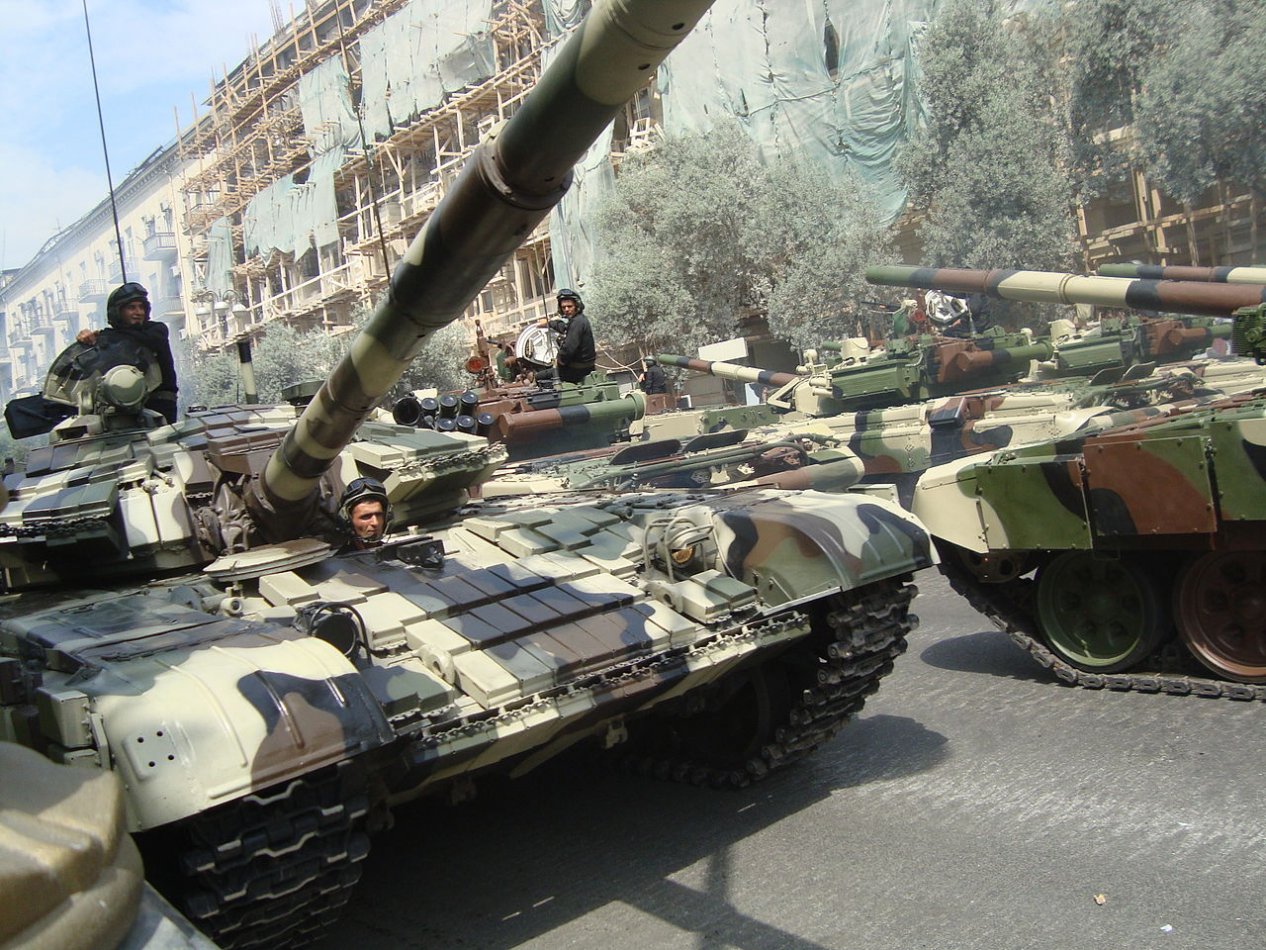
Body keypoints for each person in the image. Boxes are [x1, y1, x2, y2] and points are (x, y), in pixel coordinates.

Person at [77, 282, 179, 423]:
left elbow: (139, 339)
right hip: (119, 407)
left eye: (141, 307)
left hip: (159, 406)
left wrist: (104, 335)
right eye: (131, 307)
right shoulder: (109, 340)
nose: (139, 312)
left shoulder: (156, 330)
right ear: (117, 311)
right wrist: (86, 339)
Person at [535, 289, 596, 384]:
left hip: (577, 371)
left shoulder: (577, 322)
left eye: (569, 306)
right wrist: (549, 323)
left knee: (539, 377)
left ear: (577, 306)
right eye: (564, 307)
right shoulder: (579, 320)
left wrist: (558, 361)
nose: (566, 309)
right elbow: (564, 328)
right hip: (585, 368)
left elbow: (568, 349)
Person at [339, 476, 391, 551]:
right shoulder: (340, 558)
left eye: (379, 515)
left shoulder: (394, 552)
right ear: (348, 521)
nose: (375, 523)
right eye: (366, 517)